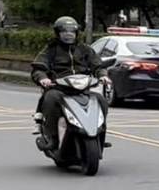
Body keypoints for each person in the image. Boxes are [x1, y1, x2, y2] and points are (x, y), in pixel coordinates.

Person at [31, 17, 108, 150]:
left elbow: (98, 66)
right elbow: (39, 67)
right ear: (58, 33)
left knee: (100, 100)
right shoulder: (50, 49)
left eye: (72, 31)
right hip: (59, 88)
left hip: (83, 87)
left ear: (77, 33)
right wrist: (43, 78)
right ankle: (52, 138)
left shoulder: (85, 49)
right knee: (51, 99)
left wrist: (103, 76)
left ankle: (100, 135)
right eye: (64, 31)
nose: (68, 34)